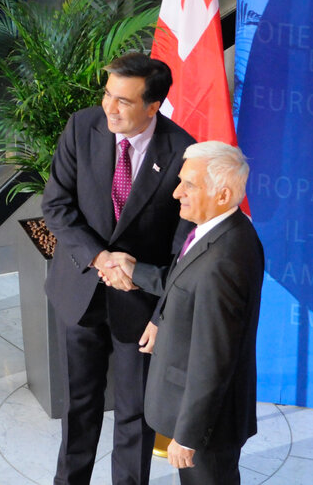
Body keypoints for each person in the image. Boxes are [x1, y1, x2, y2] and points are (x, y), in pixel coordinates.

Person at [41, 52, 195, 485]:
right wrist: (99, 257)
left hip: (140, 307)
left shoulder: (182, 151)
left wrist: (163, 316)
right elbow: (56, 205)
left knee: (135, 416)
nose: (109, 107)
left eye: (123, 101)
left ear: (153, 106)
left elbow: (183, 250)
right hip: (80, 291)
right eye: (108, 95)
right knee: (79, 407)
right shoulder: (81, 126)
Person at [102, 141, 264, 485]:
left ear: (221, 195)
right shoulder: (216, 231)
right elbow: (184, 283)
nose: (177, 193)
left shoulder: (224, 261)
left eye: (188, 185)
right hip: (204, 417)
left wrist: (188, 435)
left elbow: (214, 359)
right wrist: (134, 270)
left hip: (208, 426)